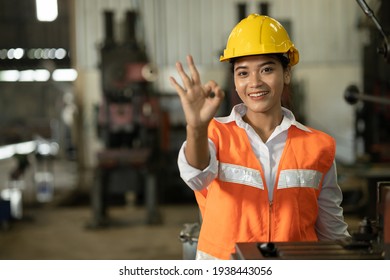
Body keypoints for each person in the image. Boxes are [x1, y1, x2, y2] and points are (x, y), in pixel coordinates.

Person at [169, 14, 350, 260]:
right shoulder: (214, 135)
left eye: (266, 69)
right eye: (243, 73)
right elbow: (196, 176)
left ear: (287, 73)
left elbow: (332, 232)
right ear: (234, 80)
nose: (254, 82)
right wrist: (196, 127)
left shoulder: (318, 146)